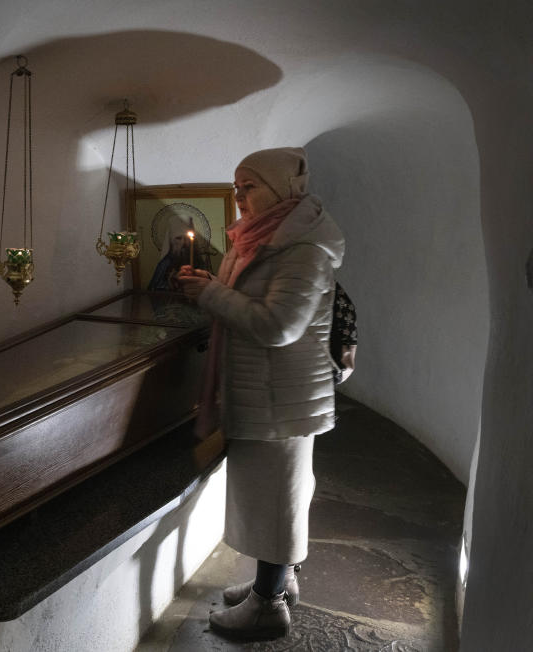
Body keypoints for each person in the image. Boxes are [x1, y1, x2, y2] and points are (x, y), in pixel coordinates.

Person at [177, 147, 344, 640]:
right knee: (269, 499)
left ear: (279, 189)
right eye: (236, 187)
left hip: (284, 399)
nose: (238, 196)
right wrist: (211, 282)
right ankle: (278, 581)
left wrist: (209, 294)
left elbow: (278, 325)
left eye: (248, 187)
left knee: (277, 501)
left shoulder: (304, 250)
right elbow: (249, 300)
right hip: (264, 392)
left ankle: (268, 606)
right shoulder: (261, 239)